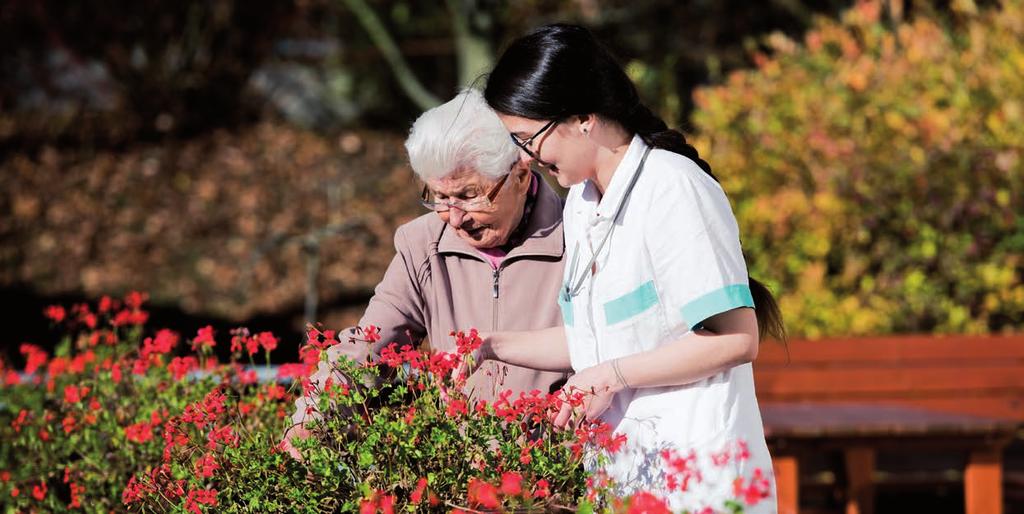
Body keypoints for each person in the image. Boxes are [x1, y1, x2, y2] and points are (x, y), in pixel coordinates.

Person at [476, 24, 786, 511]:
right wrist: (491, 346)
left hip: (697, 477)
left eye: (527, 138)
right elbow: (598, 339)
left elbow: (737, 337)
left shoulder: (671, 188)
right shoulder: (581, 202)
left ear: (583, 117)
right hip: (625, 476)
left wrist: (608, 377)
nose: (525, 158)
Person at [283, 89, 571, 458]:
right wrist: (310, 422)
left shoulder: (579, 236)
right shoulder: (423, 244)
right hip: (460, 476)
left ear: (519, 171)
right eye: (438, 196)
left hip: (558, 470)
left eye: (468, 195)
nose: (454, 218)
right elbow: (367, 350)